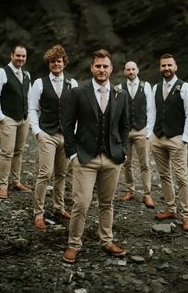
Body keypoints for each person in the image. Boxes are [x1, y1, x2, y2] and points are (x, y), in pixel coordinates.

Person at [62, 49, 129, 263]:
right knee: (81, 203)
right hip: (85, 158)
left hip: (112, 158)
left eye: (105, 66)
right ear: (92, 68)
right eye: (98, 66)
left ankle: (107, 241)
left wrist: (124, 151)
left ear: (111, 69)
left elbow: (125, 126)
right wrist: (72, 153)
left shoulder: (121, 94)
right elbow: (67, 125)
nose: (101, 69)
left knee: (107, 203)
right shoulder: (79, 92)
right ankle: (74, 244)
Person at [29, 44, 78, 230]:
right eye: (52, 61)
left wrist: (74, 132)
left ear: (64, 63)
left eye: (58, 61)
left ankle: (59, 207)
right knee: (45, 173)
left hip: (66, 136)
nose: (55, 64)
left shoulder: (72, 84)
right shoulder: (39, 83)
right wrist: (37, 131)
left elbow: (77, 111)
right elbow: (33, 108)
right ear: (48, 64)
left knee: (62, 174)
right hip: (47, 134)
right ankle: (38, 213)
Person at [149, 53, 188, 232]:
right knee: (164, 176)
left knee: (182, 178)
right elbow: (152, 112)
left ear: (175, 67)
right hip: (157, 138)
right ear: (160, 68)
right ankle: (170, 209)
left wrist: (184, 138)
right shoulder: (155, 88)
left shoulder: (185, 87)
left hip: (176, 138)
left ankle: (187, 217)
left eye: (169, 65)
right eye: (163, 66)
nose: (166, 68)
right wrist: (150, 135)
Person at [0, 44, 32, 199]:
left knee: (19, 151)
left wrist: (30, 116)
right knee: (7, 152)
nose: (20, 59)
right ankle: (3, 185)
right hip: (8, 118)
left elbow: (29, 96)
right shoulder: (1, 73)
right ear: (12, 55)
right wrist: (0, 116)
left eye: (23, 56)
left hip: (24, 118)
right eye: (18, 55)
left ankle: (16, 181)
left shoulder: (27, 75)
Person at [119, 61, 155, 208]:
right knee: (126, 163)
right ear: (124, 72)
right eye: (128, 69)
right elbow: (118, 111)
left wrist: (149, 131)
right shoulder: (120, 87)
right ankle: (130, 190)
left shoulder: (145, 86)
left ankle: (147, 194)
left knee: (144, 163)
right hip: (125, 131)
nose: (131, 71)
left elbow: (151, 110)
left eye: (133, 69)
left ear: (137, 70)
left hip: (141, 130)